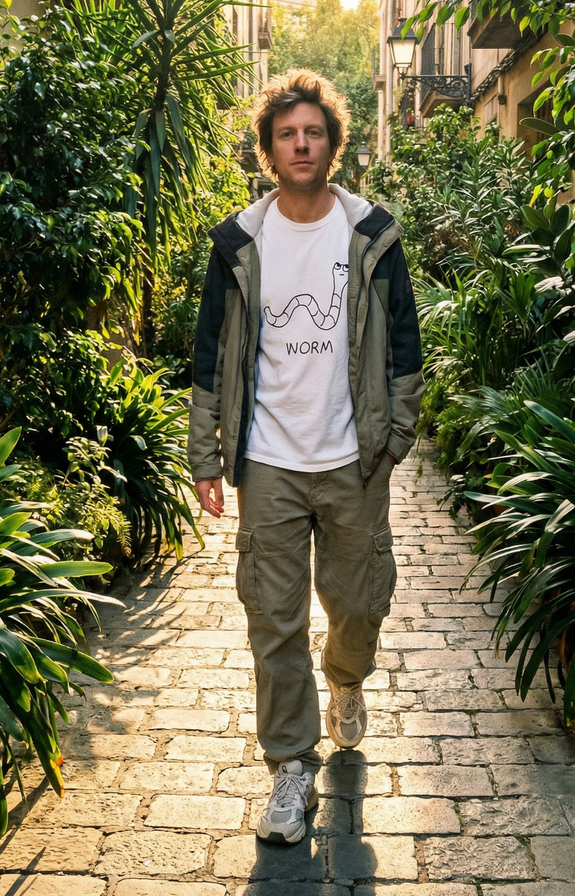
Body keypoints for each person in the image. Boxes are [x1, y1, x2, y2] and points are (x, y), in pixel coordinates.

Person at [187, 69, 424, 845]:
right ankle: (290, 765)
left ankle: (346, 681)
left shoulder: (370, 232)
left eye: (313, 132)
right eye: (286, 133)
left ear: (332, 143)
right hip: (269, 460)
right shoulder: (238, 242)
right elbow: (209, 353)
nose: (300, 144)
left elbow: (404, 343)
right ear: (268, 148)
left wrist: (397, 436)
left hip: (353, 457)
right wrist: (206, 457)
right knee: (274, 619)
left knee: (359, 604)